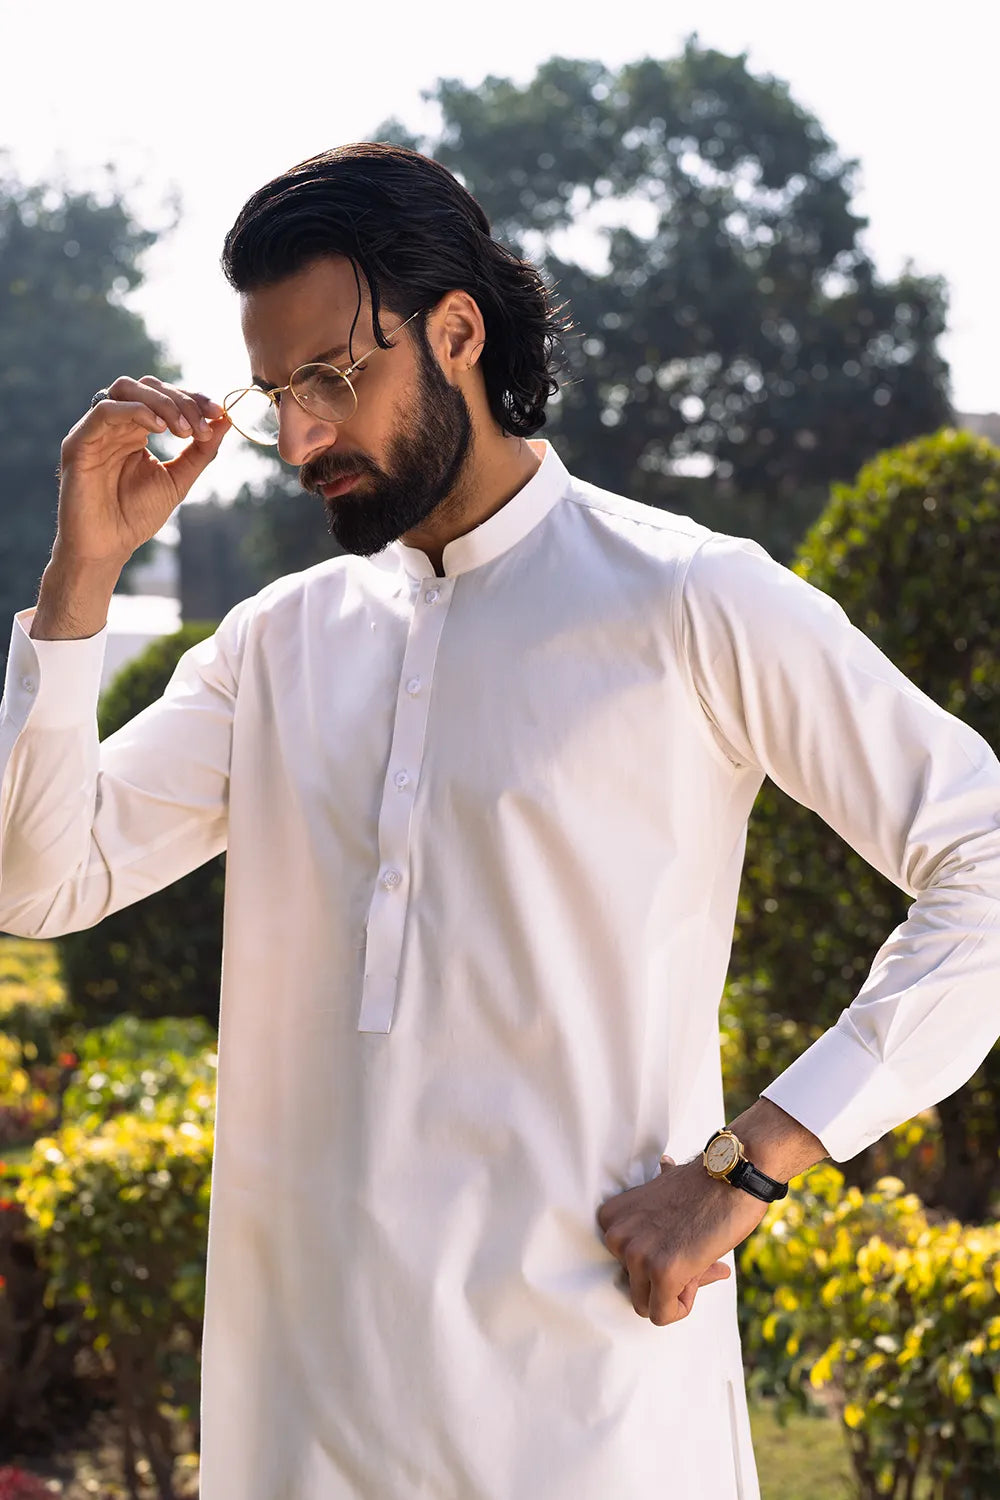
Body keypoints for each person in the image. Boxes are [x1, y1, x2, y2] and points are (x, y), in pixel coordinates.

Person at [1, 142, 999, 1500]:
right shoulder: (278, 645)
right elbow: (41, 880)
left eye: (332, 378)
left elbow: (981, 861)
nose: (299, 440)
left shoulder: (690, 599)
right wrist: (83, 572)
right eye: (278, 393)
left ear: (458, 333)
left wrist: (752, 1162)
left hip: (592, 1417)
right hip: (299, 1422)